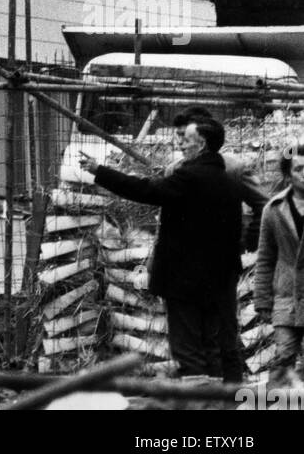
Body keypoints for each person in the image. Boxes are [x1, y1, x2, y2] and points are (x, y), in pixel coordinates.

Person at [80, 118, 245, 382]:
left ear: (201, 144)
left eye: (185, 140)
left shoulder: (189, 177)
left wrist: (101, 172)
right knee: (214, 345)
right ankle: (219, 399)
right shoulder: (230, 183)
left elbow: (146, 190)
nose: (180, 145)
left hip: (185, 281)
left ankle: (198, 402)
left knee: (188, 349)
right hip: (220, 281)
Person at [172, 105, 267, 249]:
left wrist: (248, 241)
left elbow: (264, 204)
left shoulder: (233, 169)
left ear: (204, 136)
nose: (180, 142)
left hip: (220, 255)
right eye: (178, 135)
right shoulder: (174, 170)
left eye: (185, 135)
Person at [254, 142, 304, 383]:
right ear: (288, 174)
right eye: (299, 169)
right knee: (284, 357)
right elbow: (265, 258)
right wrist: (262, 299)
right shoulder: (273, 210)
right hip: (286, 298)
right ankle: (274, 404)